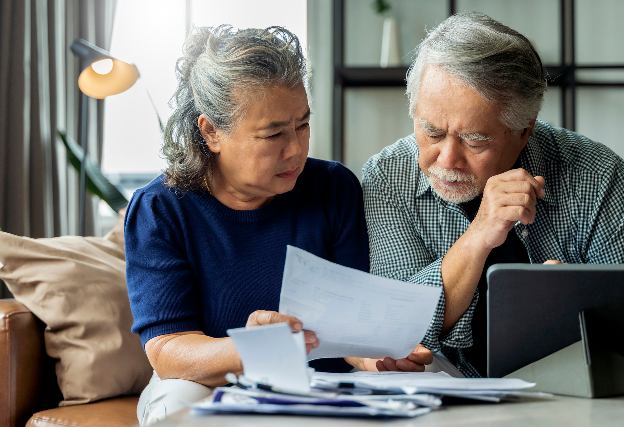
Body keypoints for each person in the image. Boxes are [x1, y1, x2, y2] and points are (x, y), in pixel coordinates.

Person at [361, 13, 624, 402]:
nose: (447, 160)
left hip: (582, 362)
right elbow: (394, 326)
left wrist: (574, 304)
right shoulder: (386, 176)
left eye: (474, 140)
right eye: (431, 132)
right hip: (445, 367)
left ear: (524, 129)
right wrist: (480, 234)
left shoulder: (597, 173)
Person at [125, 25, 430, 426]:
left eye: (303, 125)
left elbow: (345, 330)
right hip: (207, 383)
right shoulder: (161, 208)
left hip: (319, 382)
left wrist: (379, 356)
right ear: (211, 132)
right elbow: (167, 351)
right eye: (273, 135)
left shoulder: (334, 188)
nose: (297, 149)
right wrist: (253, 349)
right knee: (178, 406)